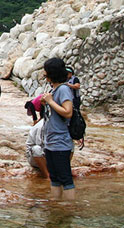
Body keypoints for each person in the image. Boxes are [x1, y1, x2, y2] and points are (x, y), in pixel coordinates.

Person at [41, 58, 75, 200]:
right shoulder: (54, 89)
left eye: (46, 71)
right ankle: (55, 205)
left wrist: (50, 101)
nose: (43, 74)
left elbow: (68, 112)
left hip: (61, 140)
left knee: (65, 178)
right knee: (54, 177)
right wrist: (46, 103)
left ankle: (68, 208)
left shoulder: (64, 89)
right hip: (51, 140)